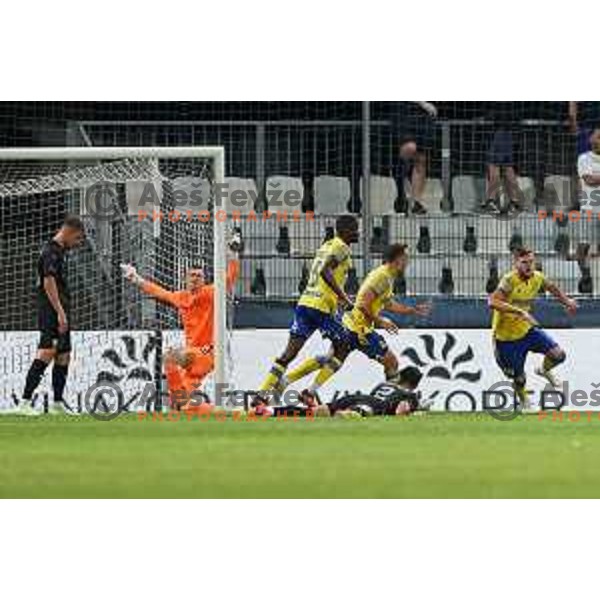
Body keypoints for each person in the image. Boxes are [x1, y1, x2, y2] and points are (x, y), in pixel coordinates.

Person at [287, 244, 430, 400]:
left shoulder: (386, 276)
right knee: (391, 362)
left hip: (351, 323)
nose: (408, 262)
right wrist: (380, 321)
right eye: (406, 258)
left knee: (331, 360)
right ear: (398, 260)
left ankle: (299, 387)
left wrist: (410, 310)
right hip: (359, 328)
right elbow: (363, 304)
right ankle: (389, 400)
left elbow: (388, 303)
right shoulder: (382, 277)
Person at [121, 234, 241, 409]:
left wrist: (233, 255)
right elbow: (159, 292)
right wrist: (135, 278)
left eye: (199, 276)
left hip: (206, 353)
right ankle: (212, 412)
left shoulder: (210, 293)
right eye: (192, 275)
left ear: (204, 279)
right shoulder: (181, 297)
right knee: (182, 402)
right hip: (192, 357)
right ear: (185, 278)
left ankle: (189, 403)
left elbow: (230, 278)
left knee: (170, 357)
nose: (195, 278)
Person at [257, 215, 359, 395]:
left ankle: (262, 395)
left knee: (289, 354)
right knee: (344, 346)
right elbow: (325, 271)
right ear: (345, 231)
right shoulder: (342, 247)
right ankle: (309, 392)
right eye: (355, 229)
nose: (358, 233)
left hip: (305, 303)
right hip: (320, 307)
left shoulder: (325, 246)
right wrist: (343, 298)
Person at [488, 247, 578, 410]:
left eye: (531, 262)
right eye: (524, 263)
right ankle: (524, 401)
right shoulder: (509, 280)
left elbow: (552, 288)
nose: (529, 266)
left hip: (526, 330)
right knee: (519, 379)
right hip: (506, 339)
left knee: (558, 355)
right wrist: (520, 311)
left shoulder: (537, 277)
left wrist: (568, 302)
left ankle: (543, 370)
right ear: (516, 264)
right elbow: (492, 302)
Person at [21, 215, 86, 415]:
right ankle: (24, 402)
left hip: (61, 310)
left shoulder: (60, 251)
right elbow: (48, 283)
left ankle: (58, 403)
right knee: (47, 351)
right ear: (69, 232)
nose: (77, 244)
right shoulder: (50, 252)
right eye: (77, 239)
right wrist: (60, 313)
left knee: (63, 355)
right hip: (51, 310)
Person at [391, 102, 438, 215]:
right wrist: (422, 103)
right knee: (409, 148)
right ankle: (403, 192)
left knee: (421, 159)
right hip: (405, 111)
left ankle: (416, 202)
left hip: (425, 116)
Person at [482, 102, 522, 215]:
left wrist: (489, 117)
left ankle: (493, 201)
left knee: (495, 165)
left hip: (501, 126)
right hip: (506, 126)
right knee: (506, 166)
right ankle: (514, 202)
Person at [577, 127, 600, 212]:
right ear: (591, 139)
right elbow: (589, 180)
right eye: (599, 137)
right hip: (590, 209)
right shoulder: (584, 158)